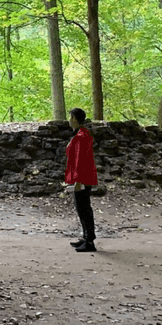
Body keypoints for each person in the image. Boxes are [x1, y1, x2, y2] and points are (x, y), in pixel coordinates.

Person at [64, 107, 98, 252]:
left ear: (77, 120)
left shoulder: (81, 137)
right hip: (83, 177)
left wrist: (78, 181)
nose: (69, 120)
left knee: (84, 209)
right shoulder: (80, 134)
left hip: (83, 178)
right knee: (82, 208)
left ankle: (89, 241)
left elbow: (81, 161)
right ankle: (86, 237)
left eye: (72, 118)